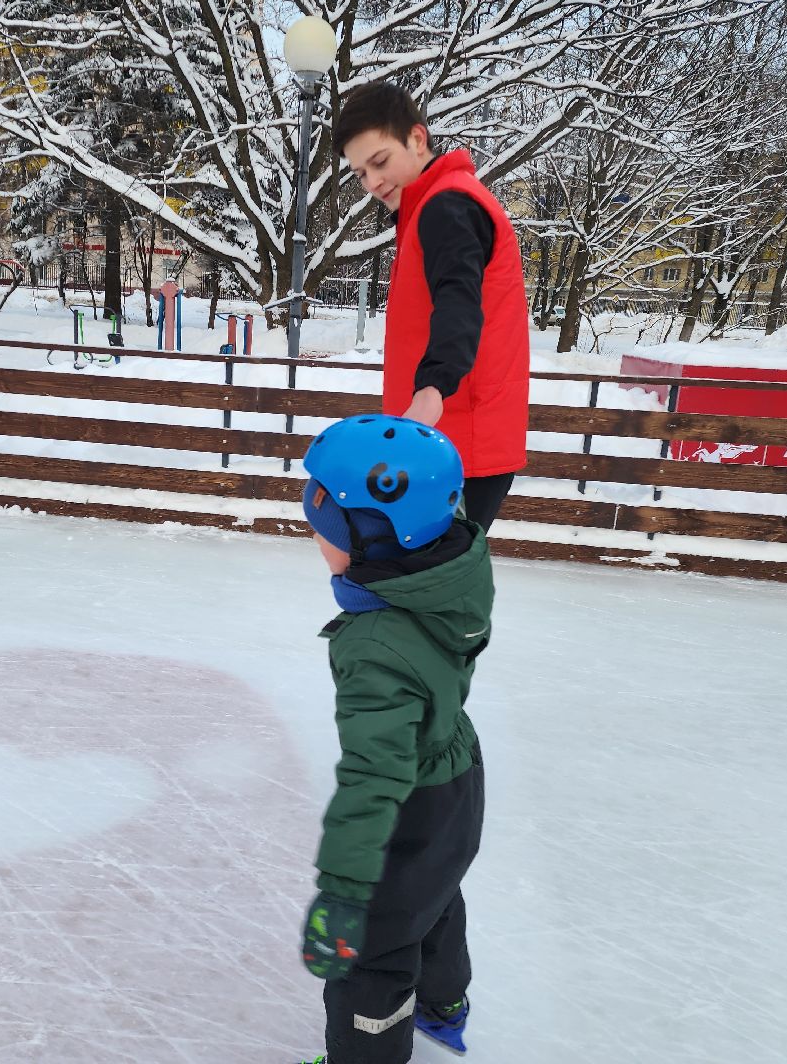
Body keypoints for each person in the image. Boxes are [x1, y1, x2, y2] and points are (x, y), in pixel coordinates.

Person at [296, 414, 490, 1064]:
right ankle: (445, 1004)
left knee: (372, 948)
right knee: (435, 899)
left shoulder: (376, 646)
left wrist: (345, 890)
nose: (314, 539)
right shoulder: (450, 572)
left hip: (413, 801)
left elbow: (374, 777)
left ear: (373, 536)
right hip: (460, 775)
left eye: (323, 529)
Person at [332, 82, 529, 534]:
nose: (373, 182)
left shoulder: (447, 206)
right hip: (447, 439)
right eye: (361, 173)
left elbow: (460, 301)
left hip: (456, 444)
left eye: (379, 162)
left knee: (426, 588)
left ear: (417, 139)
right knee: (426, 587)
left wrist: (433, 387)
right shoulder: (434, 205)